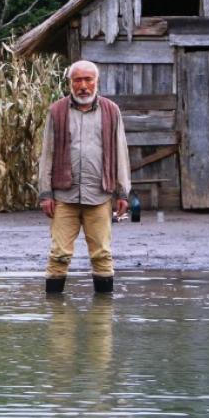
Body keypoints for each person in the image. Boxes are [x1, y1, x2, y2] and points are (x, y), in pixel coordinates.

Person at [37, 60, 130, 294]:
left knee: (102, 254)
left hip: (99, 195)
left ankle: (102, 322)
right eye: (78, 80)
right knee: (59, 255)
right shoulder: (57, 110)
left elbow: (121, 151)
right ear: (70, 83)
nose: (83, 86)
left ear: (96, 81)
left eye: (88, 80)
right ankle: (58, 324)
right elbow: (47, 153)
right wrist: (45, 193)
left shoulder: (111, 111)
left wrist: (123, 192)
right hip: (63, 196)